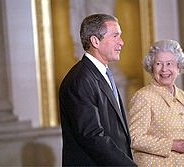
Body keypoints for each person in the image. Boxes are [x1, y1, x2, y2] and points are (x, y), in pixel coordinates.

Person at [59, 13, 137, 166]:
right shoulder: (80, 80)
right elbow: (92, 136)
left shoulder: (101, 74)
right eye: (115, 36)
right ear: (95, 41)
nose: (121, 42)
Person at [128, 40, 184, 166]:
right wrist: (172, 145)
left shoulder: (183, 96)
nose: (164, 69)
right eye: (158, 64)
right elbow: (134, 138)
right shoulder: (144, 96)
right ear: (152, 67)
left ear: (178, 67)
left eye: (169, 63)